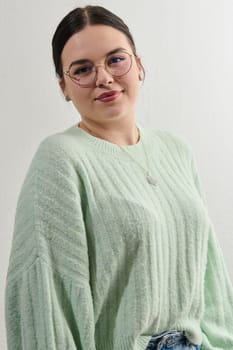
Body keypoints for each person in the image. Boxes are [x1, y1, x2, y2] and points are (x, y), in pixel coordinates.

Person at [5, 5, 233, 350]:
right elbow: (45, 293)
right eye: (82, 69)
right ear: (64, 86)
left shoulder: (177, 151)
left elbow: (209, 272)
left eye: (115, 60)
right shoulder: (60, 159)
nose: (104, 77)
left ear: (138, 66)